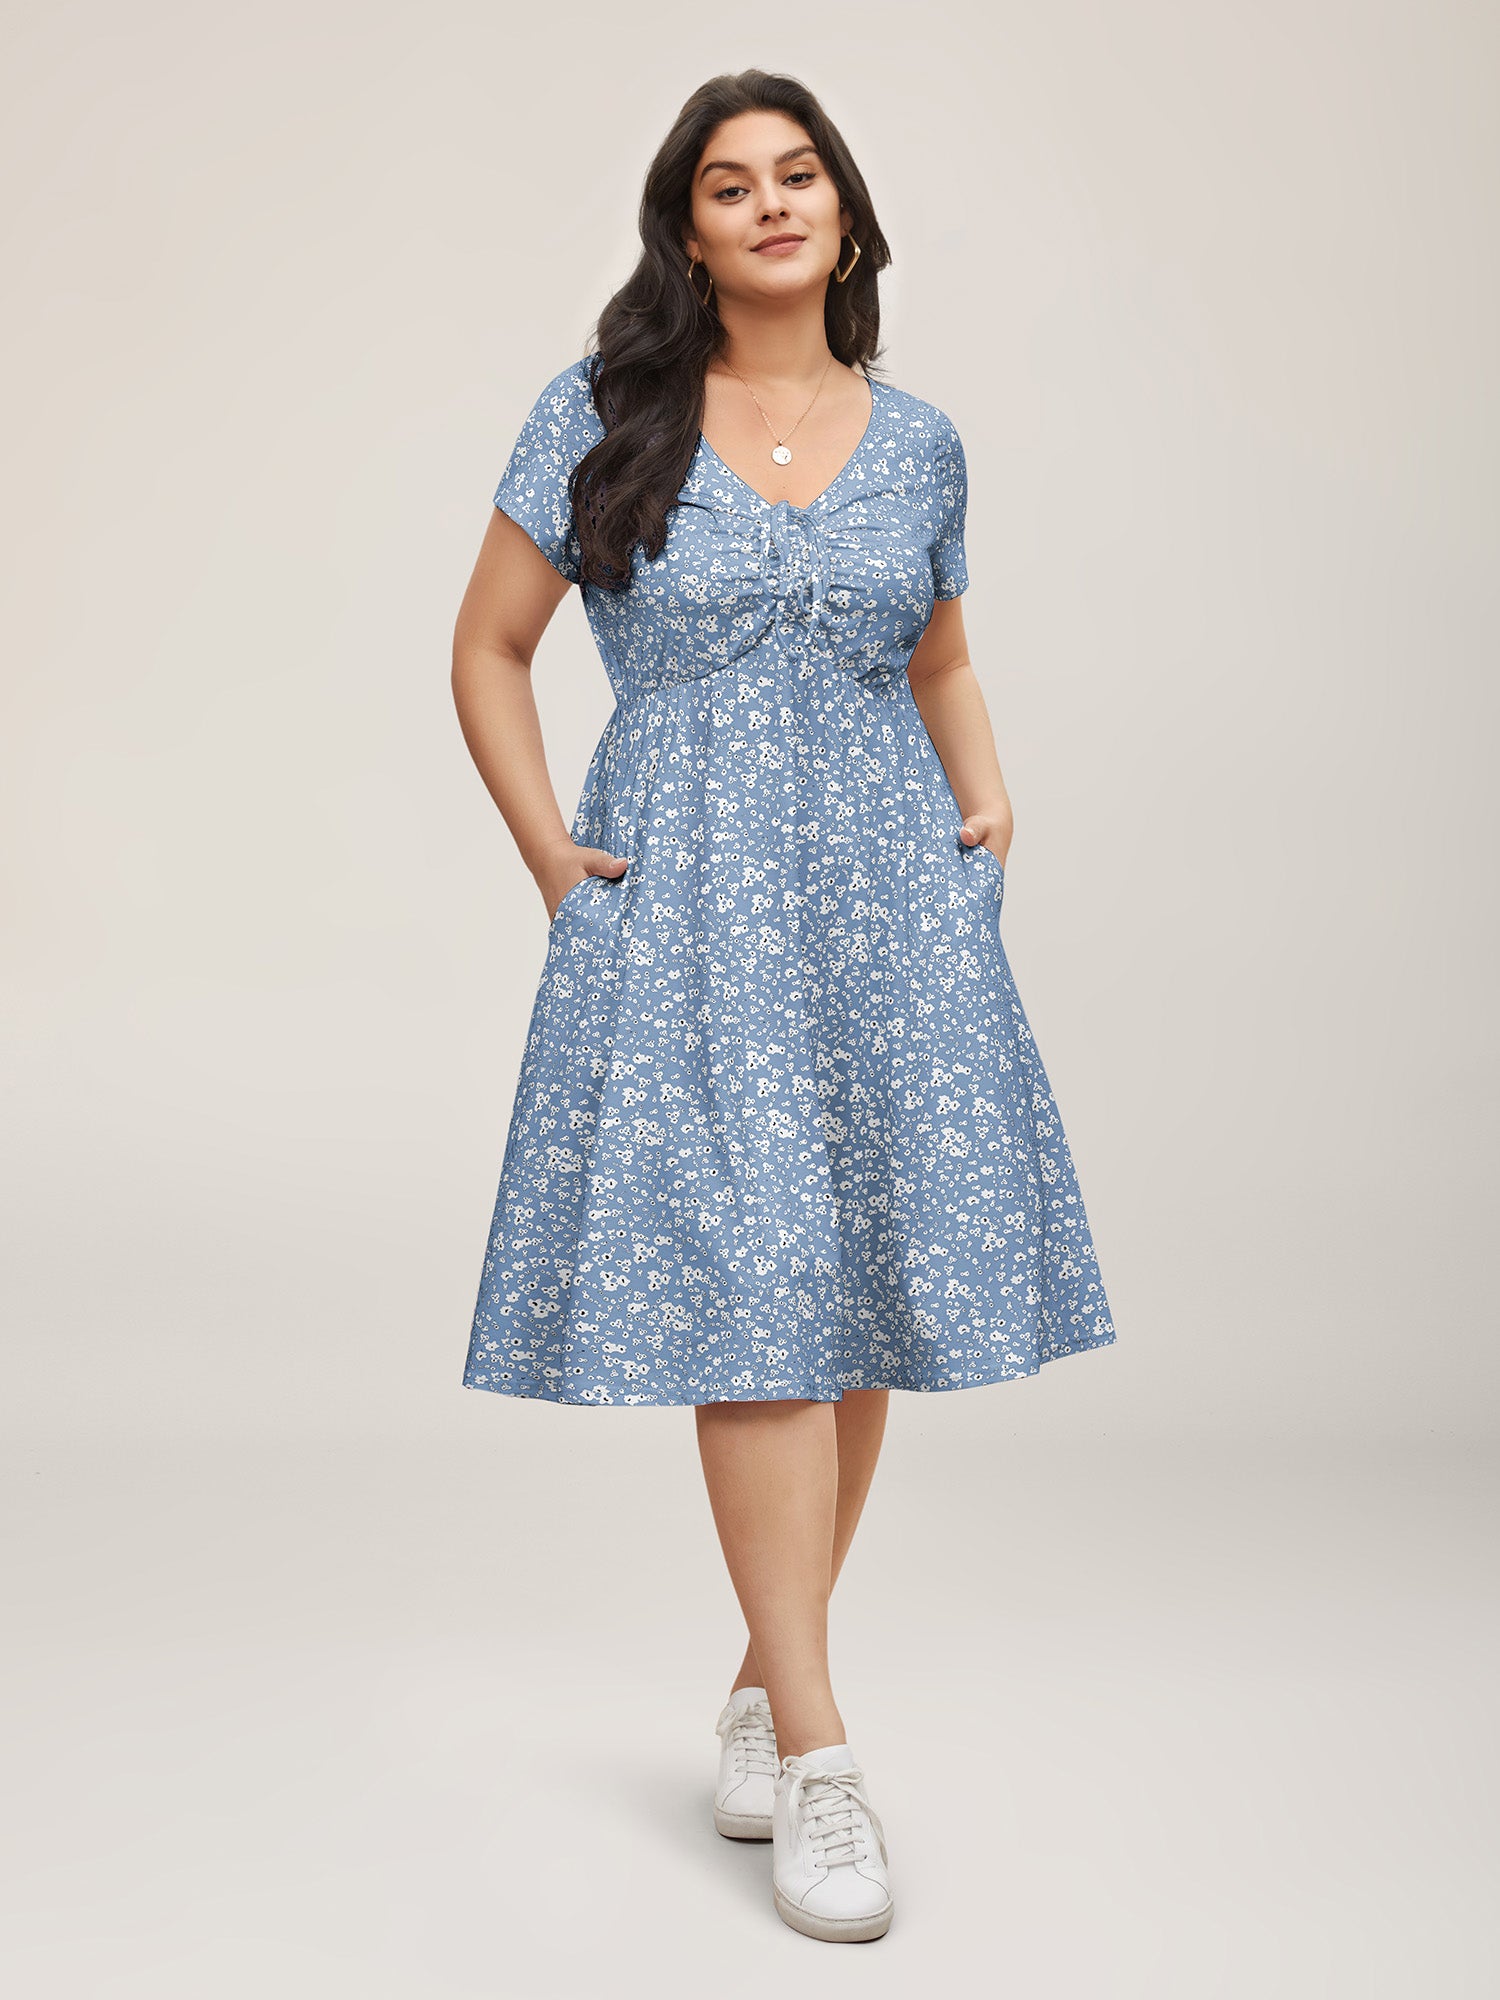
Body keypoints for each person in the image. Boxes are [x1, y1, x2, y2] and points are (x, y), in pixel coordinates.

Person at [450, 70, 1117, 1944]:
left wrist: (990, 798)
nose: (770, 203)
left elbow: (941, 654)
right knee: (753, 1300)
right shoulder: (601, 418)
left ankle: (763, 1677)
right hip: (691, 910)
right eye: (730, 184)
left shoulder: (921, 441)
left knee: (857, 1292)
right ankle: (822, 1759)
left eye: (798, 173)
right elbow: (487, 648)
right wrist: (550, 856)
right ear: (686, 230)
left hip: (889, 898)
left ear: (843, 213)